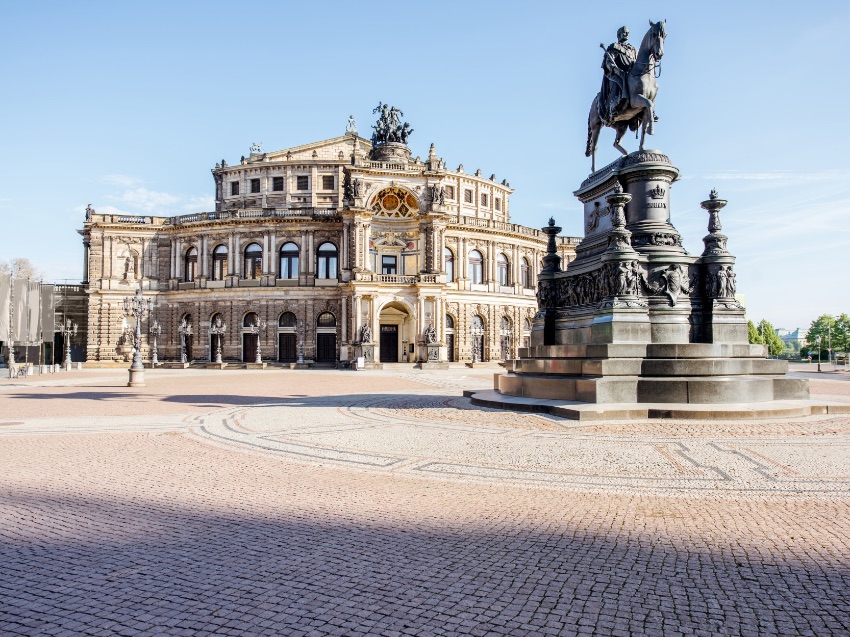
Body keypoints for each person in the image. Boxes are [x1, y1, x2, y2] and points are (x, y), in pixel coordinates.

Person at [600, 26, 637, 123]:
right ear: (619, 35)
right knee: (620, 80)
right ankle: (614, 107)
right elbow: (608, 63)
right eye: (624, 32)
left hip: (631, 73)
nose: (626, 34)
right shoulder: (614, 47)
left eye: (627, 32)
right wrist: (615, 69)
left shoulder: (632, 50)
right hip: (616, 73)